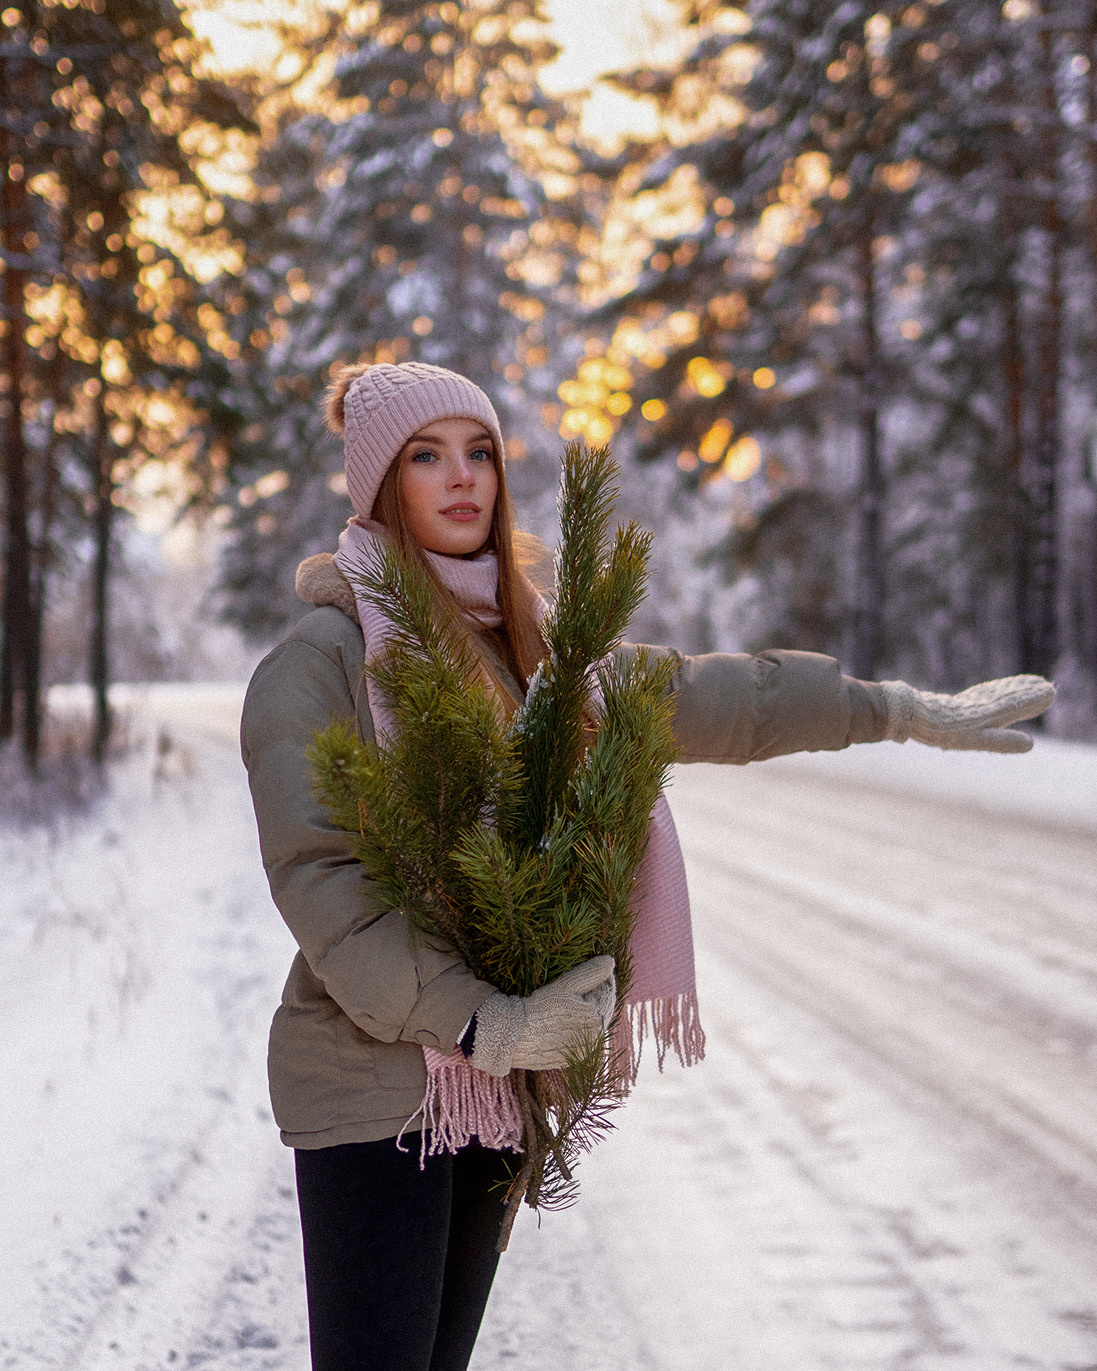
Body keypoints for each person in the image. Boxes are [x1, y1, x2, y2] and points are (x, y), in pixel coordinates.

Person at [240, 360, 1054, 1371]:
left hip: (495, 1092)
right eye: (426, 457)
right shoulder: (319, 661)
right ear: (378, 486)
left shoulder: (536, 655)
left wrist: (892, 709)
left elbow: (724, 699)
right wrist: (476, 1019)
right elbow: (325, 888)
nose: (463, 479)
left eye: (480, 453)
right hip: (375, 1092)